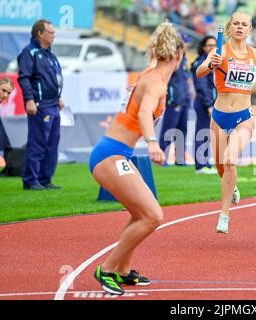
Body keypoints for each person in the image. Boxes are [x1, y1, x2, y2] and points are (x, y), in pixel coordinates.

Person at [89, 22, 184, 295]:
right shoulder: (155, 81)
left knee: (140, 213)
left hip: (116, 152)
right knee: (153, 216)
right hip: (111, 154)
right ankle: (106, 269)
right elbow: (144, 113)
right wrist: (153, 143)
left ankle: (121, 270)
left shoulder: (152, 75)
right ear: (178, 55)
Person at [196, 12, 256, 234]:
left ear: (250, 29)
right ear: (230, 27)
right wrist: (210, 65)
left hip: (244, 117)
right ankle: (231, 186)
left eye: (244, 24)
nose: (240, 27)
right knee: (221, 168)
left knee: (230, 160)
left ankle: (224, 214)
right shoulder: (220, 51)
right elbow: (199, 72)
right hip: (219, 116)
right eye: (236, 23)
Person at [18, 19, 64, 191]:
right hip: (39, 105)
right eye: (50, 32)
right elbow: (25, 78)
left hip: (53, 104)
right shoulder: (28, 53)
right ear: (39, 34)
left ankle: (45, 179)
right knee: (37, 143)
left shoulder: (50, 54)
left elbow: (54, 80)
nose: (54, 35)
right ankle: (31, 180)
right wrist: (29, 100)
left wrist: (59, 96)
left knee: (52, 144)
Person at [191, 35, 218, 174]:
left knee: (208, 134)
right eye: (209, 45)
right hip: (203, 103)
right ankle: (200, 165)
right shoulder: (200, 63)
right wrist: (209, 104)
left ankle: (206, 163)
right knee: (202, 133)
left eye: (214, 45)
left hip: (212, 103)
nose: (212, 48)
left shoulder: (215, 62)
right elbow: (201, 86)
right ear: (203, 47)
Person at [158, 52, 191, 165]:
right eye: (183, 43)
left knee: (182, 132)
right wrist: (170, 97)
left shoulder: (184, 59)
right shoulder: (170, 58)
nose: (185, 45)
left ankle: (180, 160)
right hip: (173, 101)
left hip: (184, 101)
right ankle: (161, 159)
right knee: (168, 131)